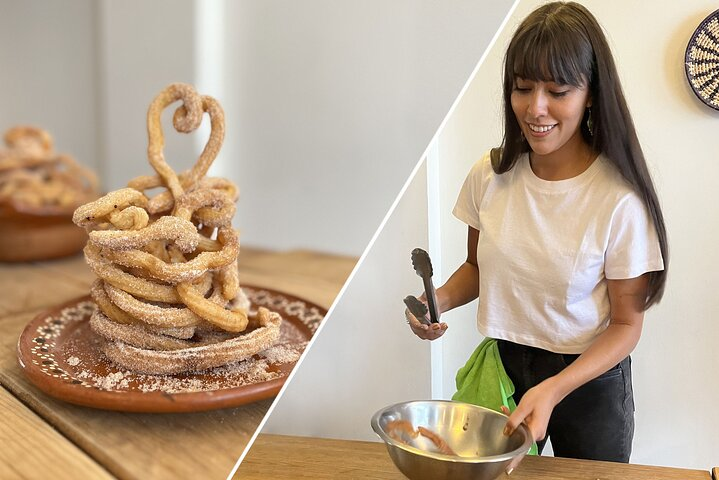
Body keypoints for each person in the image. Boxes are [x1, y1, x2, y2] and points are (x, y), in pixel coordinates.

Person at [405, 1, 667, 463]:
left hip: (588, 381)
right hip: (504, 366)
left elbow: (627, 325)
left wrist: (554, 389)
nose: (535, 108)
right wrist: (437, 301)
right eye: (523, 88)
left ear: (590, 93)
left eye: (558, 91)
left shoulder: (618, 199)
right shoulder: (490, 174)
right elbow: (477, 267)